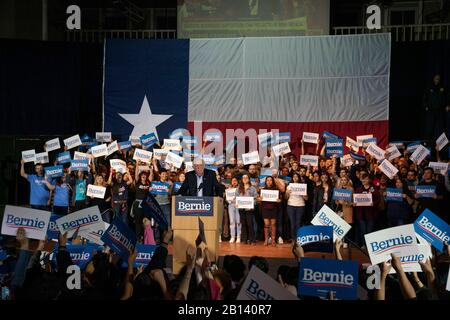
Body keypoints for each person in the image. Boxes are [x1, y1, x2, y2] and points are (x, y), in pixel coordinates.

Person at [258, 176, 282, 247]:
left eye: (270, 180)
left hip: (274, 209)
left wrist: (279, 201)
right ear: (265, 181)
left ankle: (273, 240)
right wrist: (259, 199)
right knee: (266, 224)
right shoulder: (262, 190)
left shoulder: (276, 190)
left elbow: (280, 200)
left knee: (273, 224)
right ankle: (266, 240)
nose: (269, 181)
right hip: (265, 209)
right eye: (267, 180)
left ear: (272, 181)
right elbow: (259, 201)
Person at [423, 74, 448, 140]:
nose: (437, 80)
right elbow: (425, 97)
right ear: (433, 79)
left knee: (442, 127)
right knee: (430, 127)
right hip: (431, 110)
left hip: (440, 110)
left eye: (438, 79)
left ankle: (443, 143)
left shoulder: (443, 87)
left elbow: (447, 97)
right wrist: (425, 106)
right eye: (436, 79)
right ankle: (427, 142)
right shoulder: (429, 87)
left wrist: (447, 105)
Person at [236, 174, 258, 245]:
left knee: (250, 224)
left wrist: (252, 204)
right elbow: (236, 197)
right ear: (242, 180)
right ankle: (244, 239)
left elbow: (256, 198)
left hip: (249, 209)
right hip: (241, 209)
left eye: (246, 178)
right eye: (243, 178)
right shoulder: (239, 188)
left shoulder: (252, 188)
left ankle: (252, 240)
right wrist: (236, 202)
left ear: (249, 179)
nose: (245, 179)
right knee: (243, 224)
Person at [285, 173, 307, 241]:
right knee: (292, 223)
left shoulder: (303, 186)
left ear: (299, 178)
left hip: (300, 205)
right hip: (291, 205)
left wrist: (303, 195)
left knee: (298, 222)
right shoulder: (289, 186)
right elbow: (286, 198)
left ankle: (298, 238)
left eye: (296, 177)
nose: (295, 178)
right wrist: (287, 193)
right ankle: (293, 238)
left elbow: (306, 199)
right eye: (294, 177)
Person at [227, 177, 240, 243]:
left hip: (238, 205)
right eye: (233, 181)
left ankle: (238, 237)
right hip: (231, 205)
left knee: (238, 222)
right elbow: (227, 199)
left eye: (235, 180)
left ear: (237, 182)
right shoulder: (229, 189)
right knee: (232, 221)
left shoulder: (240, 188)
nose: (234, 182)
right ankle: (232, 237)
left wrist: (237, 200)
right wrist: (230, 200)